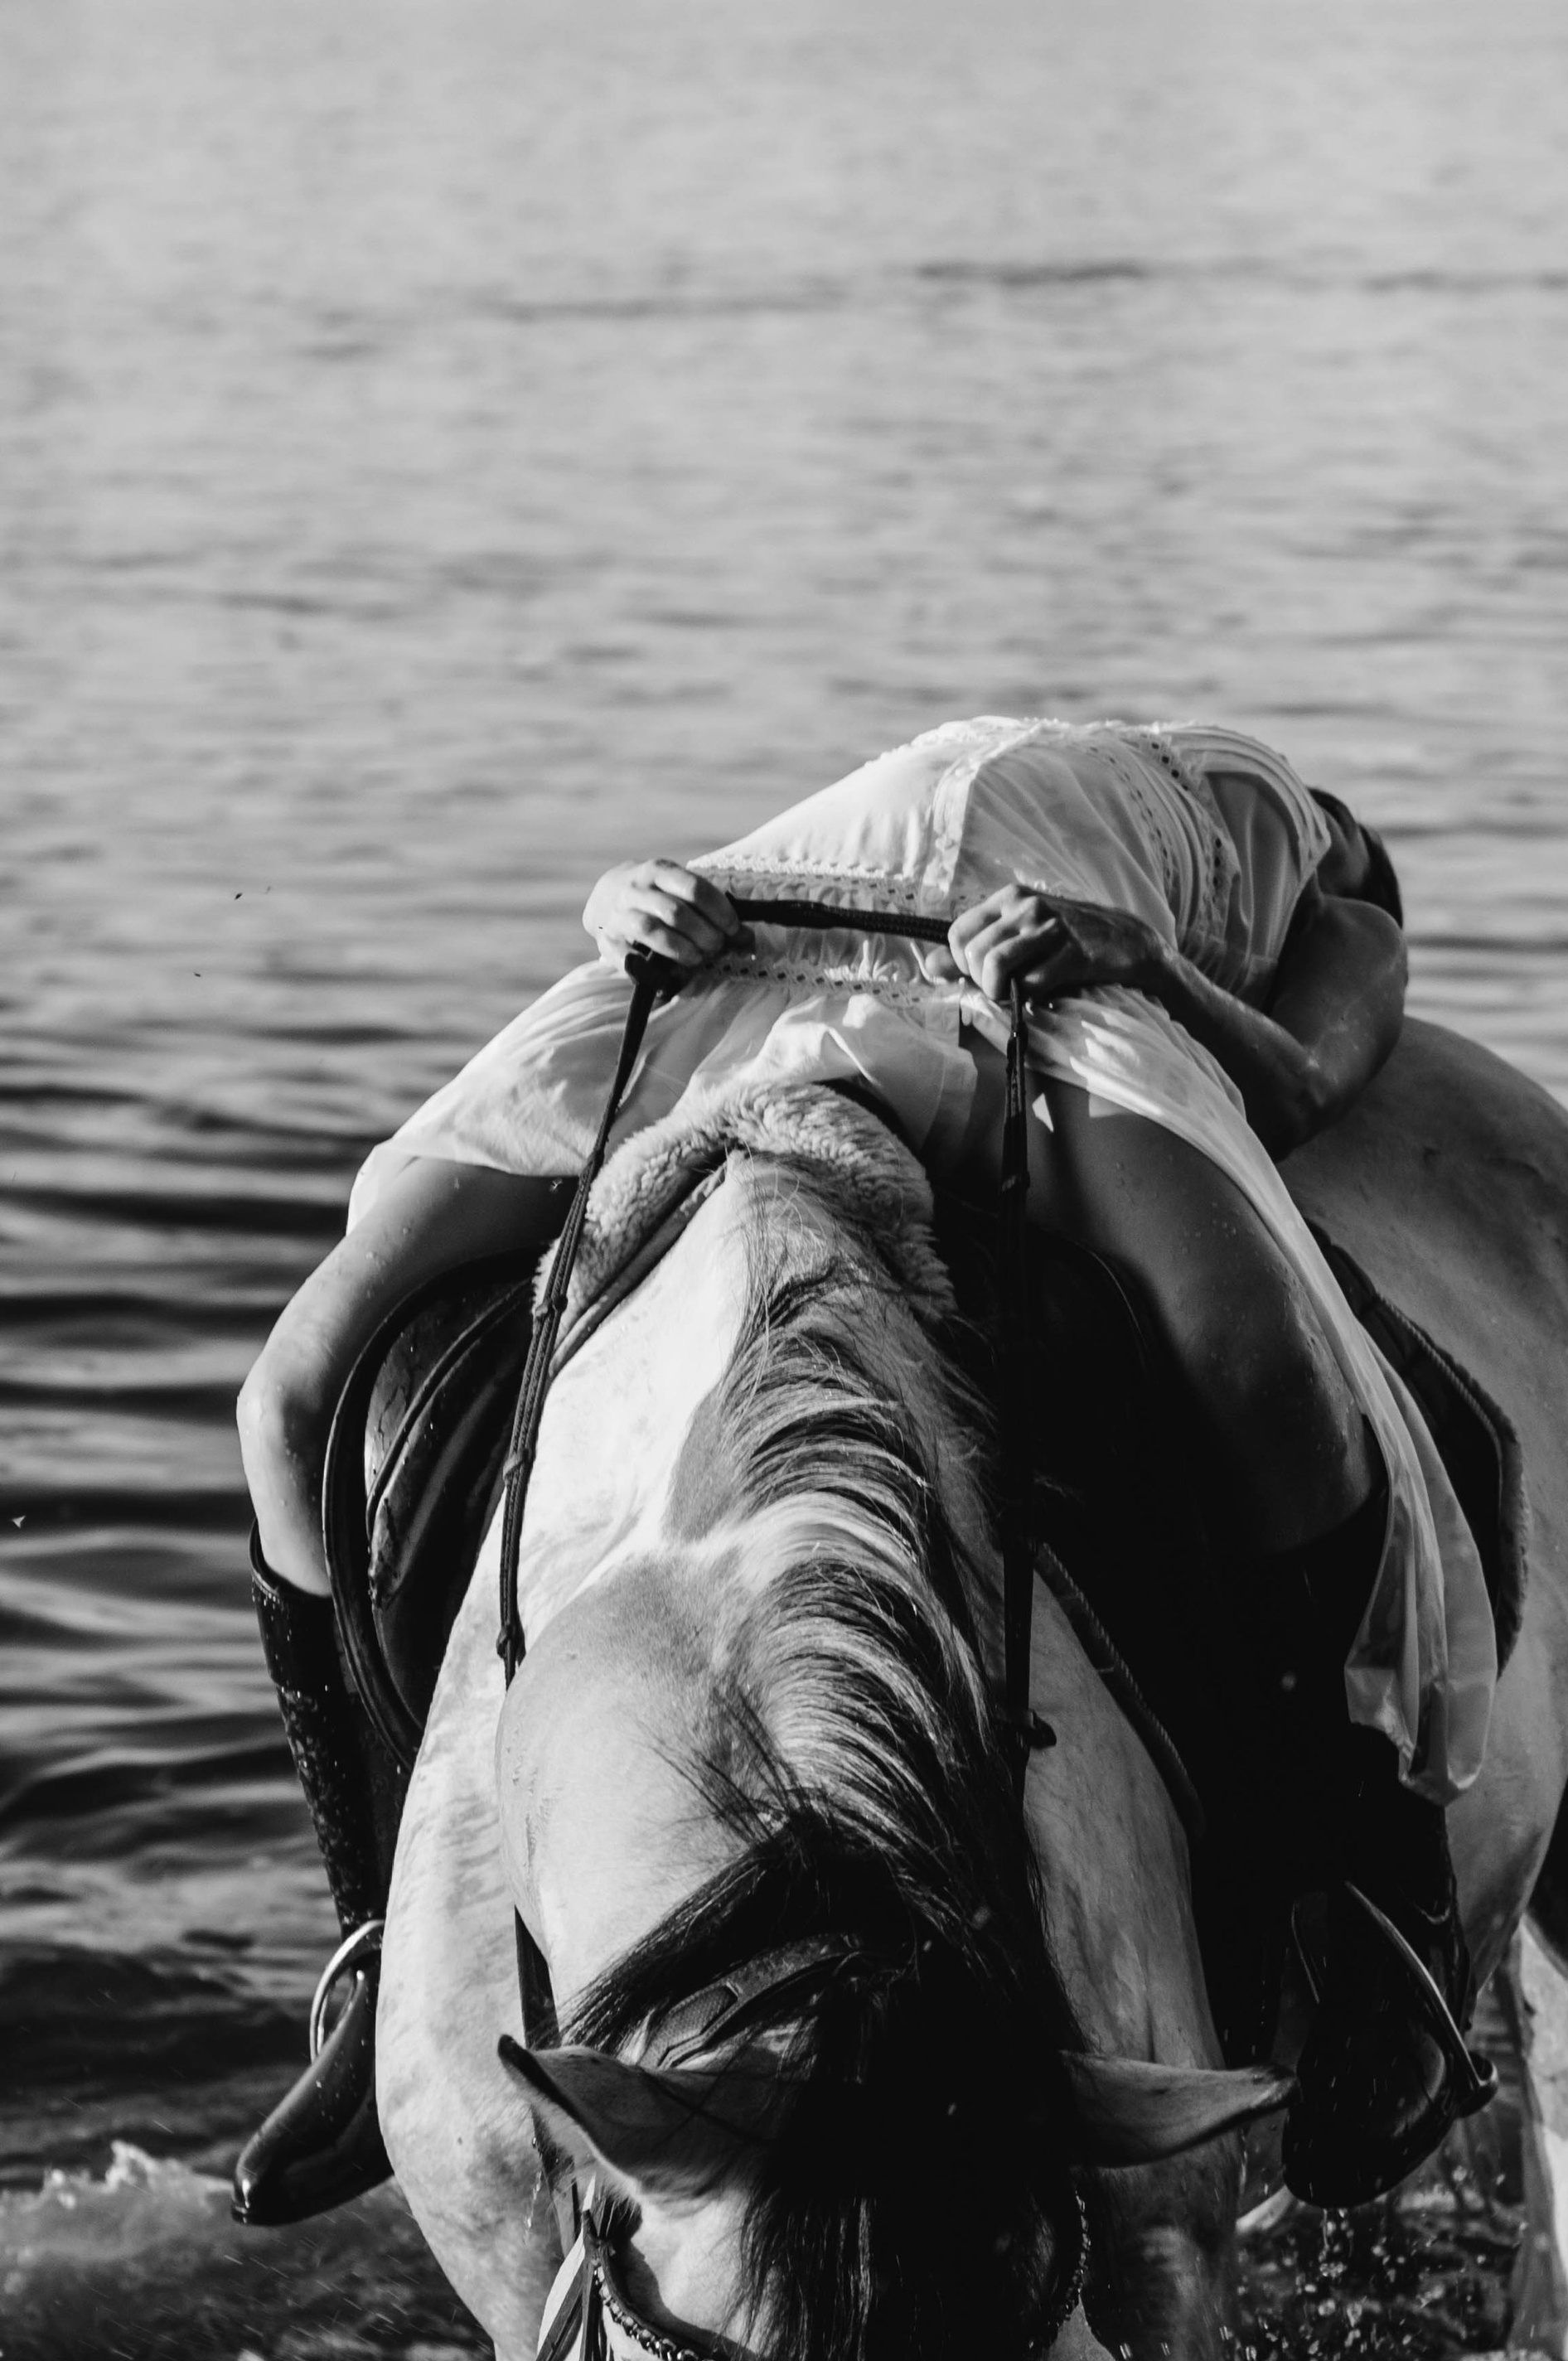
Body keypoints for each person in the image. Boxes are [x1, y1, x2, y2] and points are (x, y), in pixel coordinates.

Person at [235, 717, 1479, 2221]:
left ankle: (1376, 1884)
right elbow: (766, 868)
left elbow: (1288, 1088)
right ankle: (376, 1941)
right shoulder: (1114, 769)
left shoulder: (1340, 919)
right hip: (750, 957)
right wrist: (625, 898)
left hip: (1054, 1001)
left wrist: (1146, 963)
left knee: (1260, 1364)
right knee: (292, 1397)